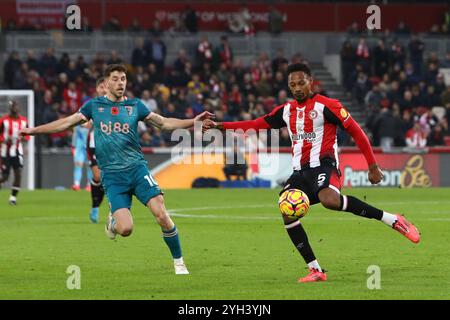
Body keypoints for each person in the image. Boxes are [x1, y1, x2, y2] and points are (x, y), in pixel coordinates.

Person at [203, 63, 421, 283]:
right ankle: (315, 270)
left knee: (329, 200)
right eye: (292, 84)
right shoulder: (286, 111)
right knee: (287, 210)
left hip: (325, 165)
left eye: (301, 82)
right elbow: (256, 124)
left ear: (310, 82)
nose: (297, 88)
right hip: (300, 172)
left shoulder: (328, 106)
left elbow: (357, 131)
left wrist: (372, 166)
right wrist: (220, 126)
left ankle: (393, 220)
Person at [20, 64, 213, 275]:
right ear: (105, 84)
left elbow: (164, 123)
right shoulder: (94, 107)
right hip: (112, 176)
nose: (120, 83)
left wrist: (192, 122)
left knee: (161, 214)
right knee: (126, 229)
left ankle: (179, 262)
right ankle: (113, 221)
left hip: (137, 169)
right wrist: (34, 131)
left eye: (123, 79)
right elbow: (66, 123)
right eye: (115, 79)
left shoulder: (135, 106)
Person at [87, 77, 108, 223]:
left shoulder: (116, 104)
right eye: (101, 87)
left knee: (108, 178)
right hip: (94, 144)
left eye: (106, 87)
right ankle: (95, 207)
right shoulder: (92, 105)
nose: (104, 89)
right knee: (97, 176)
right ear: (97, 89)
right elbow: (83, 121)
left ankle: (113, 209)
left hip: (110, 145)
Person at [0, 100, 29, 205]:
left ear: (19, 107)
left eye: (16, 106)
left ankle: (13, 198)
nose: (14, 108)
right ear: (10, 108)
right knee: (5, 177)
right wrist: (3, 140)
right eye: (12, 106)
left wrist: (23, 139)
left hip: (17, 150)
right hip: (5, 151)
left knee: (18, 173)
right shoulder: (4, 121)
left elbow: (27, 136)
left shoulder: (24, 121)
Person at [71, 122, 92, 191]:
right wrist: (73, 146)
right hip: (79, 147)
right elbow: (75, 135)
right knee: (78, 165)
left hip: (90, 147)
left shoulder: (92, 123)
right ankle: (76, 184)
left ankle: (89, 185)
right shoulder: (77, 125)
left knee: (90, 166)